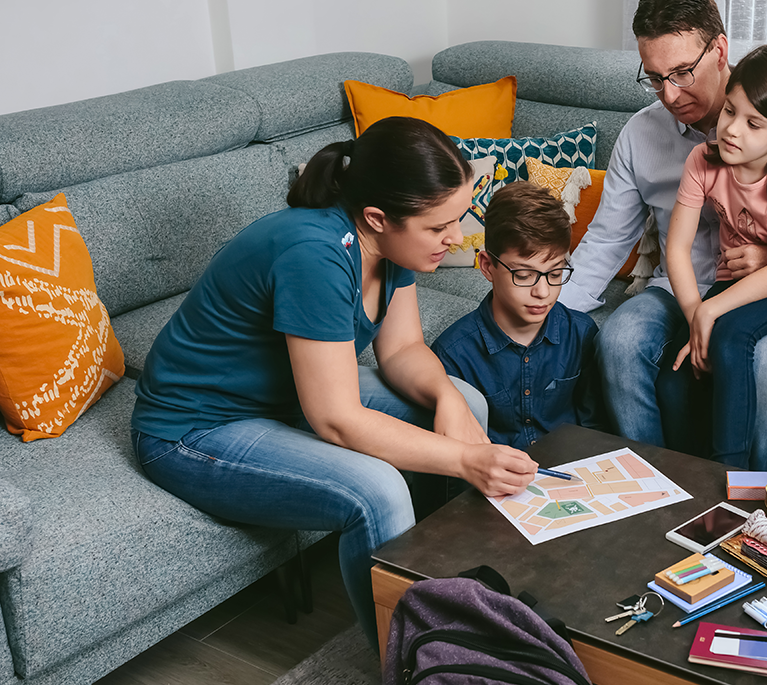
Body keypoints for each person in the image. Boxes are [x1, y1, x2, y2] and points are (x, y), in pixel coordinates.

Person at [129, 117, 538, 644]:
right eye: (439, 228)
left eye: (456, 220)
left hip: (280, 397)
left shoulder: (390, 245)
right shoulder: (314, 255)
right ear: (377, 217)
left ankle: (461, 589)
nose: (456, 239)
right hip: (193, 429)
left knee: (465, 401)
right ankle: (409, 670)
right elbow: (338, 420)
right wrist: (465, 459)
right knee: (377, 491)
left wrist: (445, 398)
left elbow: (404, 349)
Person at [557, 0, 767, 471]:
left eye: (681, 72)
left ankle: (748, 505)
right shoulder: (641, 135)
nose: (670, 95)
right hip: (681, 288)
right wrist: (538, 316)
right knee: (618, 341)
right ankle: (661, 490)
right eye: (655, 77)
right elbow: (605, 243)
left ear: (719, 50)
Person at [668, 42, 767, 469]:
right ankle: (690, 475)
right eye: (729, 111)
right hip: (735, 280)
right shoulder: (702, 161)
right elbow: (677, 249)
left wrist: (712, 314)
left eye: (753, 123)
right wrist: (694, 316)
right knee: (682, 366)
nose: (732, 130)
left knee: (732, 334)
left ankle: (733, 483)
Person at [432, 182, 602, 450]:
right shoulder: (452, 354)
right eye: (524, 275)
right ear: (487, 266)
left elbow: (595, 430)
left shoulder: (582, 334)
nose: (543, 291)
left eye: (555, 274)